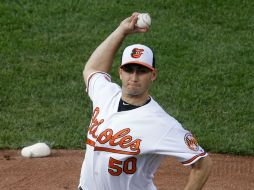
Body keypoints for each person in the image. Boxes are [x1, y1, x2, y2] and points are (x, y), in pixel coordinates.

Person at [78, 12, 212, 190]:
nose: (134, 77)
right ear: (120, 72)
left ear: (153, 75)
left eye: (141, 71)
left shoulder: (161, 124)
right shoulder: (105, 94)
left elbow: (203, 163)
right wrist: (121, 31)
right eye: (129, 69)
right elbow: (93, 68)